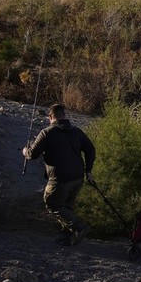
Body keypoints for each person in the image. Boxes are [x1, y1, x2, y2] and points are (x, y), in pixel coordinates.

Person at [22, 103, 96, 246]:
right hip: (78, 178)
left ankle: (79, 227)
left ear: (50, 117)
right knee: (67, 207)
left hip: (60, 179)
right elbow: (91, 149)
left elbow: (32, 154)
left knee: (52, 203)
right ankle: (65, 237)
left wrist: (25, 151)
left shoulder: (47, 133)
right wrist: (88, 170)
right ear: (64, 115)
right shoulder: (77, 132)